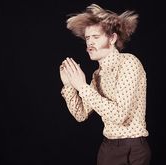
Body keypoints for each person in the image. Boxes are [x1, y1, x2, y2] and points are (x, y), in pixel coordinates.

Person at [59, 4, 151, 165]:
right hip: (108, 149)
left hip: (133, 149)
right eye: (87, 38)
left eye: (96, 37)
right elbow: (80, 115)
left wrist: (82, 87)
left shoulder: (129, 63)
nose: (90, 44)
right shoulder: (97, 75)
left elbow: (119, 116)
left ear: (112, 38)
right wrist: (69, 86)